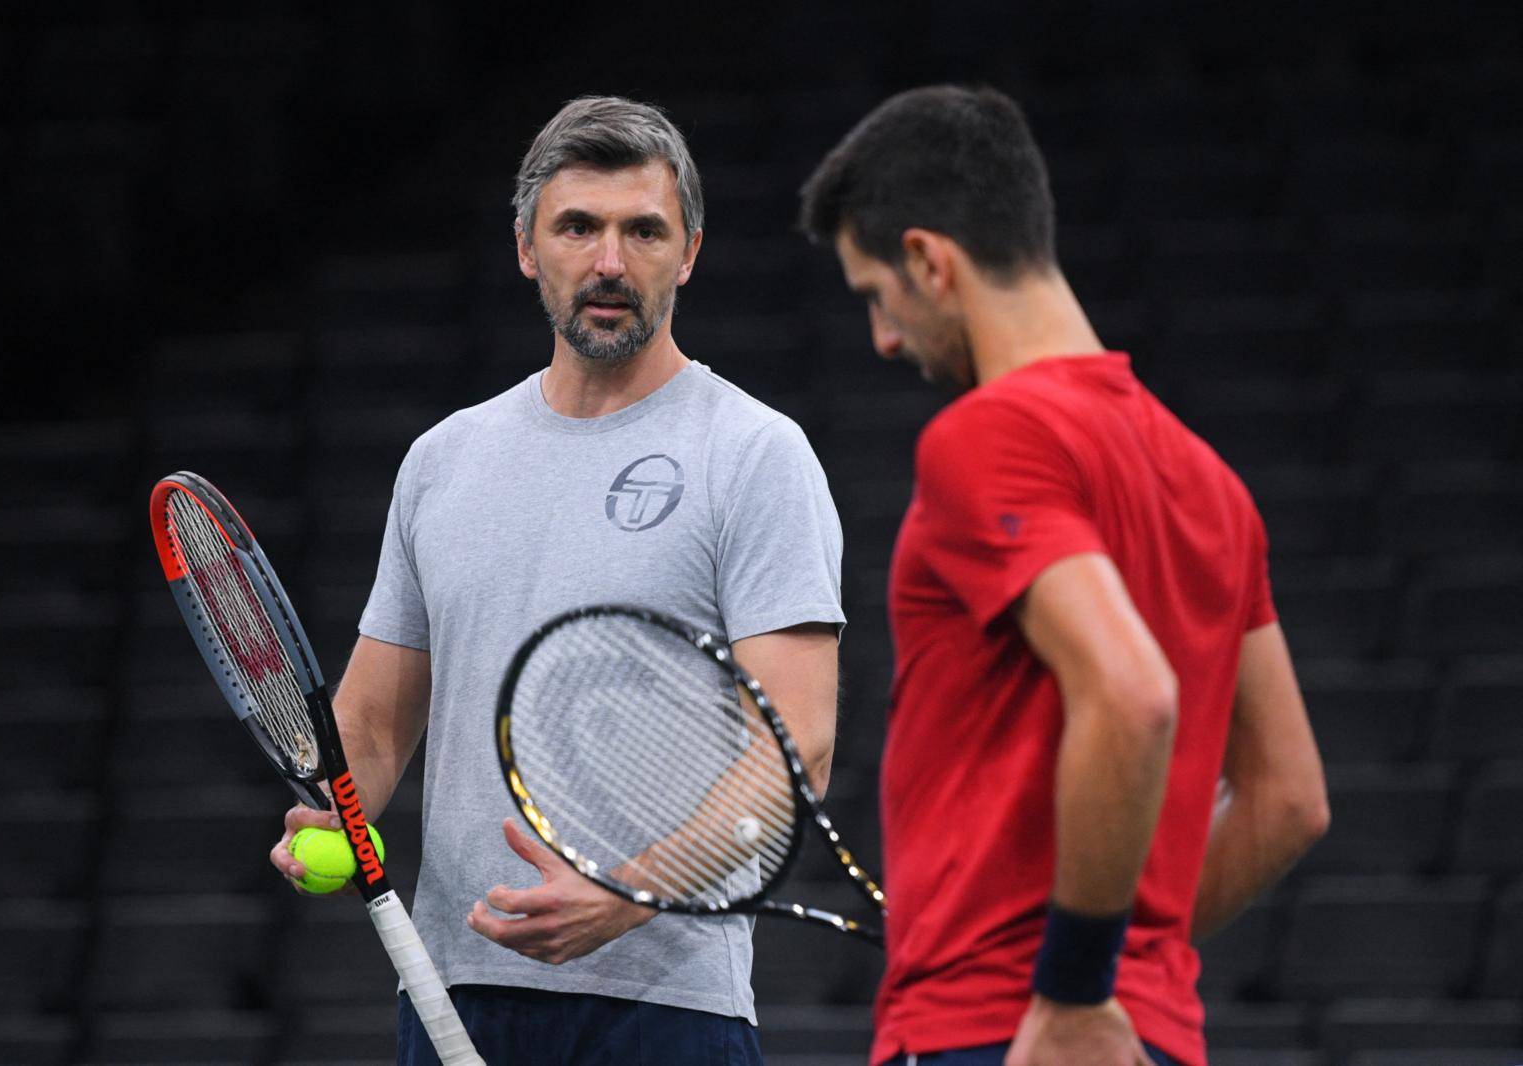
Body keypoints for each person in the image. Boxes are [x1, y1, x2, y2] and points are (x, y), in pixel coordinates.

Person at [270, 95, 845, 1065]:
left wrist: (630, 894)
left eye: (643, 230)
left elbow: (799, 750)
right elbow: (370, 726)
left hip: (667, 1007)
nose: (609, 261)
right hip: (452, 998)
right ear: (528, 248)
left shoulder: (753, 454)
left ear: (689, 251)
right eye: (577, 227)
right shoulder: (443, 461)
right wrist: (336, 807)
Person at [797, 85, 1330, 1066]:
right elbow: (1287, 796)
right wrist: (1120, 965)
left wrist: (1074, 986)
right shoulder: (1213, 483)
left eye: (875, 293)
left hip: (994, 1035)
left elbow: (1130, 694)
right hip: (1145, 1041)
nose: (880, 337)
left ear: (928, 259)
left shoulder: (985, 436)